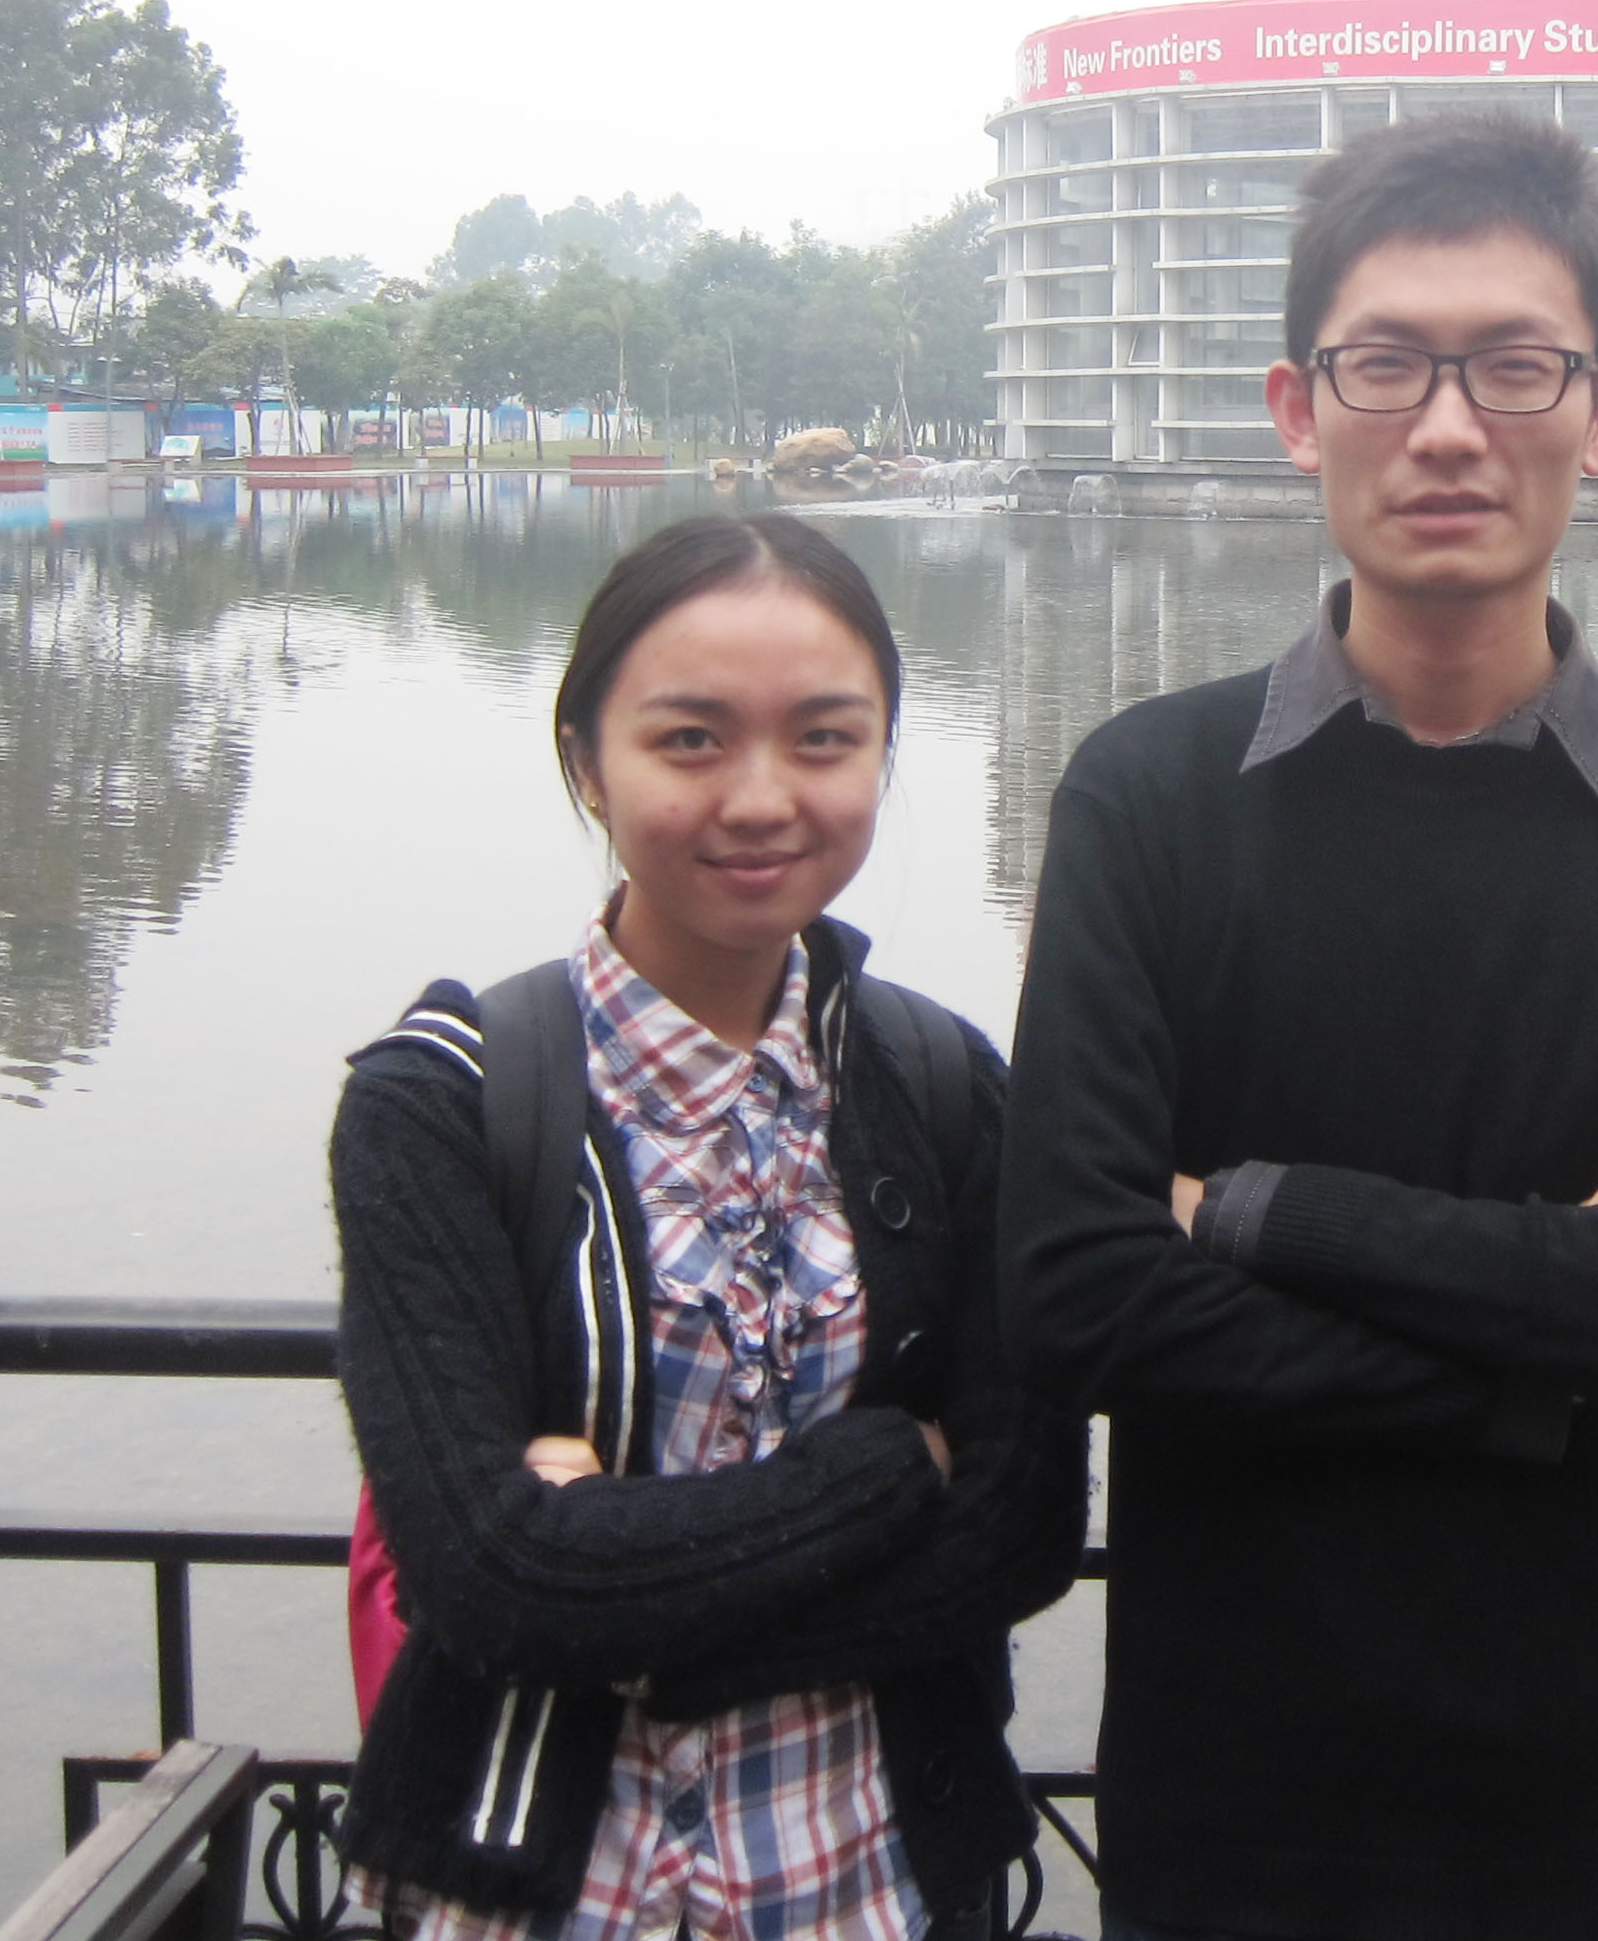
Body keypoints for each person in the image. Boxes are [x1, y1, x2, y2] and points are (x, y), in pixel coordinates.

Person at [999, 112, 1598, 1941]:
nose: (1448, 427)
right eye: (1387, 365)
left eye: (1514, 366)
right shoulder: (1147, 799)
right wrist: (1544, 1352)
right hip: (1242, 1774)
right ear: (1299, 410)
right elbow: (1072, 1287)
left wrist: (1260, 1212)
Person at [332, 512, 1087, 1941]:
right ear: (585, 762)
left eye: (824, 740)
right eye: (690, 740)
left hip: (875, 1882)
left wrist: (627, 1607)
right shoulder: (441, 1105)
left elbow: (1022, 1527)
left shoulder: (946, 1091)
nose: (761, 798)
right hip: (545, 1895)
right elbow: (489, 1572)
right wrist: (884, 1470)